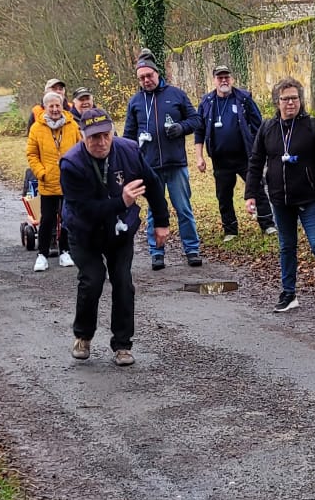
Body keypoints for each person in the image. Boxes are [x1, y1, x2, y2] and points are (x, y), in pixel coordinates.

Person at [60, 105, 171, 366]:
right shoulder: (71, 164)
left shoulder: (129, 151)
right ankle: (83, 335)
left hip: (120, 229)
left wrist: (161, 222)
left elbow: (153, 184)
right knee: (92, 280)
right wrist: (121, 201)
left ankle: (122, 344)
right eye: (94, 137)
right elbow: (85, 210)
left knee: (123, 282)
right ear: (83, 136)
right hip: (84, 231)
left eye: (105, 135)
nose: (101, 142)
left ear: (112, 132)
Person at [246, 77, 315, 316]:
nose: (290, 103)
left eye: (294, 98)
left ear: (301, 100)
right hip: (280, 200)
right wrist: (251, 194)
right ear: (277, 102)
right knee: (286, 247)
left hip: (309, 200)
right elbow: (256, 162)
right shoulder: (268, 128)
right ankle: (288, 294)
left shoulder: (312, 126)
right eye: (285, 99)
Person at [121, 55, 203, 270]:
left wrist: (181, 128)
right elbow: (128, 135)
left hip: (176, 164)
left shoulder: (176, 94)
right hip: (149, 167)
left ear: (157, 73)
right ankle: (156, 252)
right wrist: (130, 163)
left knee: (183, 209)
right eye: (141, 78)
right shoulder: (135, 102)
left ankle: (192, 250)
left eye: (149, 75)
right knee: (153, 211)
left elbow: (196, 119)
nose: (146, 80)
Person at [195, 64, 270, 238]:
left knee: (257, 188)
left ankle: (268, 224)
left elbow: (258, 126)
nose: (224, 80)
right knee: (223, 196)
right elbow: (199, 130)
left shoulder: (244, 98)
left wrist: (260, 151)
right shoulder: (206, 102)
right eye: (220, 77)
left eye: (226, 77)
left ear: (232, 79)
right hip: (220, 159)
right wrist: (199, 157)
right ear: (214, 80)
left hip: (245, 156)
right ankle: (230, 230)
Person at [26, 82, 80, 270]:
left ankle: (65, 251)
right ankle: (42, 254)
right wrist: (41, 172)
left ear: (62, 106)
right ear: (45, 107)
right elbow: (32, 154)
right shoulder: (36, 128)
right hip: (48, 182)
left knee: (67, 219)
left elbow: (81, 149)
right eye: (51, 106)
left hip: (69, 181)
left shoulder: (72, 125)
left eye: (58, 105)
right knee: (47, 219)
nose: (55, 109)